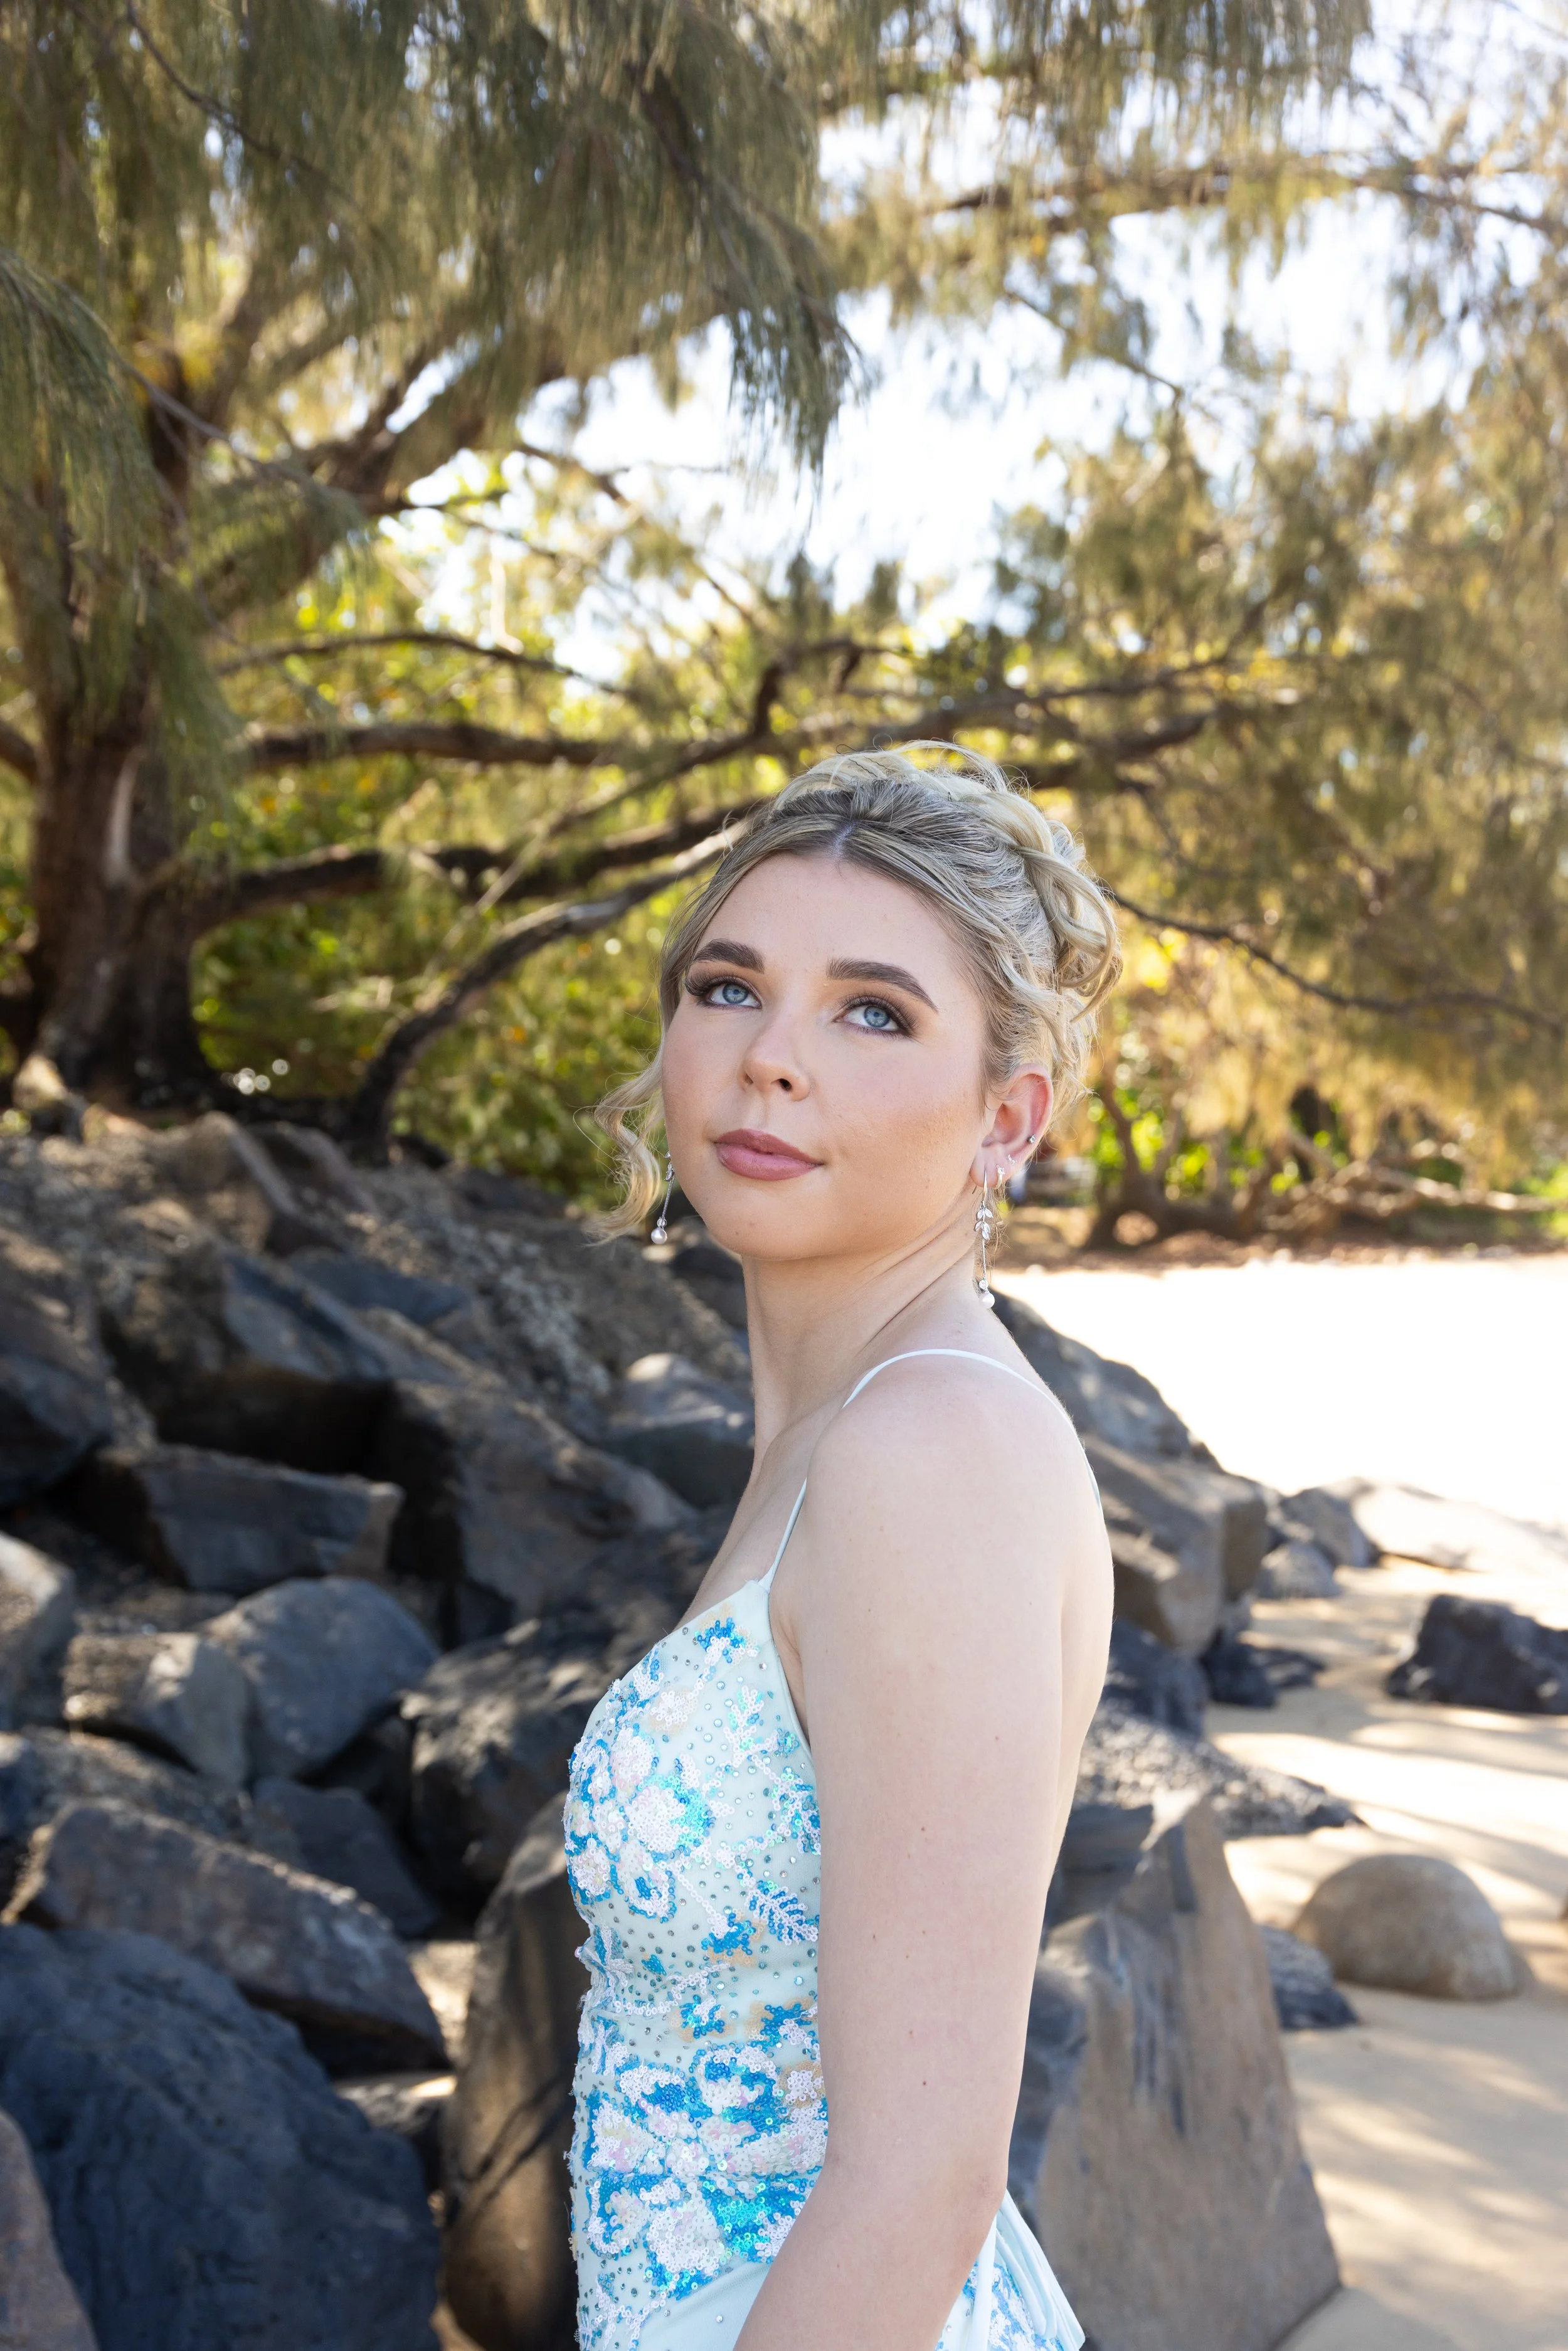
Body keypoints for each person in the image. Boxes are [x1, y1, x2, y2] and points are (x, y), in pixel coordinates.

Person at [565, 746, 1119, 2351]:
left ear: (1002, 1117)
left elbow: (919, 2177)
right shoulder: (843, 1431)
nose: (772, 1060)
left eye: (872, 1011)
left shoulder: (926, 1450)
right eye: (731, 986)